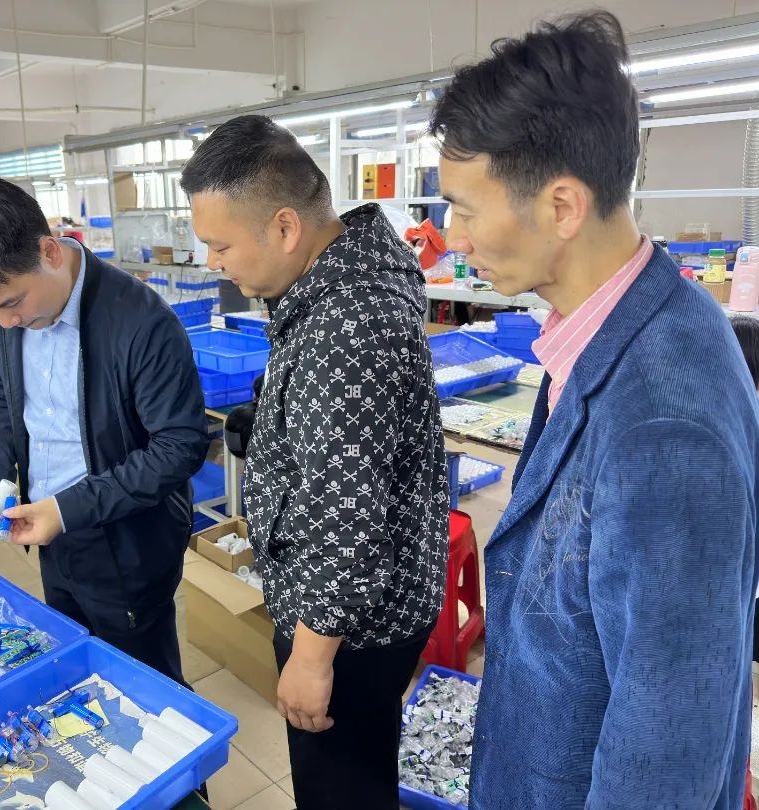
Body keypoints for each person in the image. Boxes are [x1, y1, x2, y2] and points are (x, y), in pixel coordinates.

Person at [430, 12, 759, 809]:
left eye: (465, 208)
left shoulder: (663, 428)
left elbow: (665, 753)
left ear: (562, 206)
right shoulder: (623, 324)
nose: (452, 236)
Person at [181, 115, 449, 810]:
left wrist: (310, 657)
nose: (213, 262)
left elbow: (347, 518)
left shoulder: (346, 326)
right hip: (371, 603)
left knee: (340, 790)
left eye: (220, 245)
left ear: (283, 228)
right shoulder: (340, 280)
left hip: (352, 627)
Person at [0, 174, 210, 685]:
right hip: (50, 533)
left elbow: (179, 446)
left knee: (144, 685)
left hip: (125, 541)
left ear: (49, 252)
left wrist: (67, 509)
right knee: (78, 674)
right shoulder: (16, 309)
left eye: (10, 304)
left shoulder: (141, 322)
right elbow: (1, 391)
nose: (4, 323)